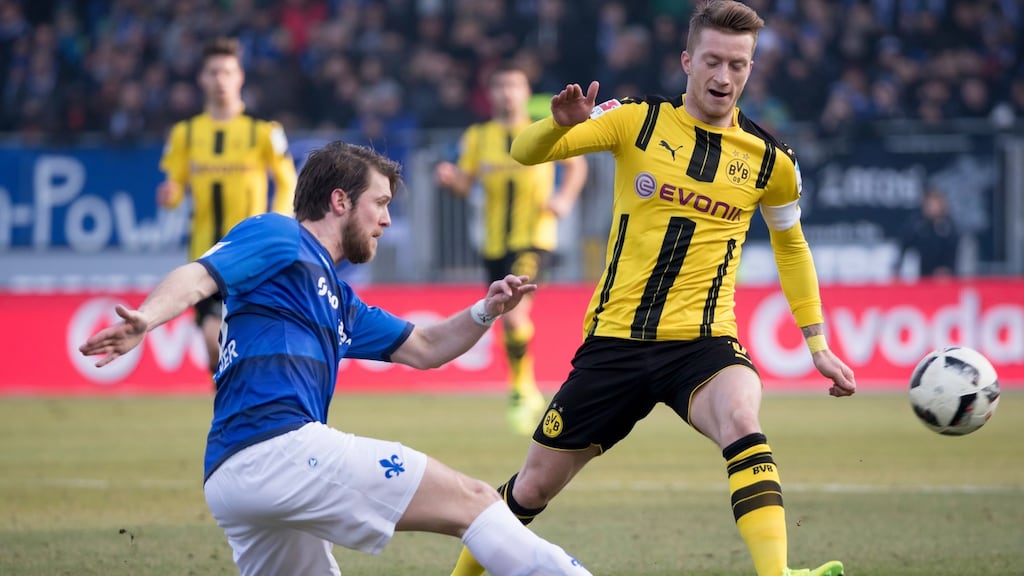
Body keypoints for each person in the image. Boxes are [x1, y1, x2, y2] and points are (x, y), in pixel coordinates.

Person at [449, 2, 856, 576]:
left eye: (738, 65)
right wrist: (558, 125)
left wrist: (817, 342)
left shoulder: (771, 161)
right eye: (712, 61)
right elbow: (525, 152)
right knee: (534, 485)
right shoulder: (635, 120)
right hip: (616, 342)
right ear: (687, 61)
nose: (724, 77)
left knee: (742, 420)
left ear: (751, 68)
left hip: (702, 342)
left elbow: (791, 247)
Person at [79, 142, 592, 576]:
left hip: (234, 476)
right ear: (340, 200)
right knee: (475, 501)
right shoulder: (281, 234)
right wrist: (147, 318)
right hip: (279, 450)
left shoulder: (338, 298)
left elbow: (426, 347)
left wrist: (486, 310)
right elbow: (198, 276)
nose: (386, 220)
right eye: (380, 203)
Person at [435, 61, 588, 435]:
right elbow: (466, 185)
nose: (507, 94)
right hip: (492, 243)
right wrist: (451, 180)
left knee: (515, 314)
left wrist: (564, 199)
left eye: (514, 86)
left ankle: (520, 391)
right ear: (490, 94)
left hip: (533, 237)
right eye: (500, 87)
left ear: (525, 92)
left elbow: (577, 166)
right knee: (505, 315)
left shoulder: (542, 130)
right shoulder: (478, 136)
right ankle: (525, 386)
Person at [156, 37, 297, 380]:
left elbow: (288, 181)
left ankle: (245, 399)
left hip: (253, 252)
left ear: (240, 77)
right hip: (205, 252)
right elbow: (174, 188)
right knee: (212, 338)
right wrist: (170, 194)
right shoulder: (186, 133)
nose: (221, 80)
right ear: (201, 78)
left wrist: (277, 222)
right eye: (213, 72)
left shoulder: (263, 131)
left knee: (248, 339)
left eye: (228, 72)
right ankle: (233, 398)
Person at [895, 188, 959, 279]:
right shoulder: (916, 224)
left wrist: (946, 268)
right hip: (917, 272)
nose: (931, 208)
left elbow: (952, 253)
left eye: (934, 205)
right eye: (928, 205)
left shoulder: (948, 227)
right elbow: (904, 246)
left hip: (941, 274)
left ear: (942, 206)